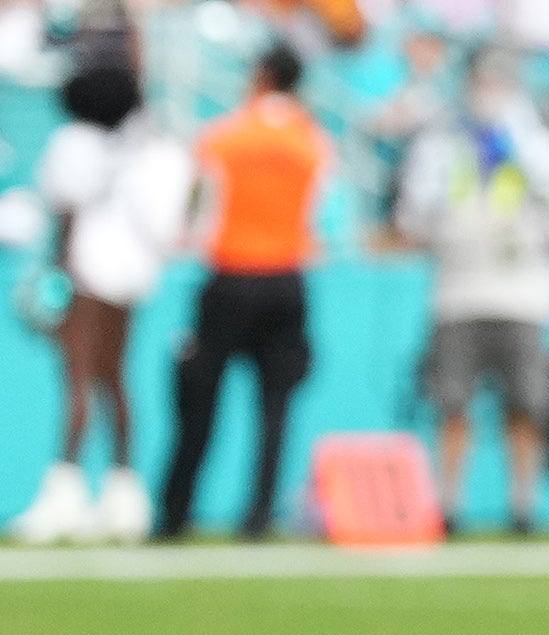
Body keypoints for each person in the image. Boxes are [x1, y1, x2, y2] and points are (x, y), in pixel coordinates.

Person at [395, 48, 549, 536]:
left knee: (527, 407)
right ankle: (448, 506)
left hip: (524, 289)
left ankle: (522, 507)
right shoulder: (441, 142)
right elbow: (411, 219)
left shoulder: (543, 143)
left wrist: (520, 162)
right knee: (452, 405)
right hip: (459, 289)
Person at [10, 40, 189, 543]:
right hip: (131, 279)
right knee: (115, 380)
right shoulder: (149, 150)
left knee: (78, 380)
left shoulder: (74, 145)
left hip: (86, 278)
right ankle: (123, 492)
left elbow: (63, 208)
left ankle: (64, 489)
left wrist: (56, 270)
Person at [157, 46, 335, 541]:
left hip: (231, 276)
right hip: (287, 279)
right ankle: (258, 516)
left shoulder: (223, 137)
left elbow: (194, 209)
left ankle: (175, 513)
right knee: (275, 406)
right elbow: (326, 214)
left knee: (200, 400)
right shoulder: (313, 142)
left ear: (260, 76)